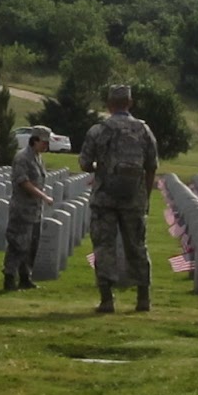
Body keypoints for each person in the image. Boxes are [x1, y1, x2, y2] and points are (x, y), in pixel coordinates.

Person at [79, 84, 159, 314]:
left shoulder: (98, 130)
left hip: (104, 198)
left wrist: (100, 166)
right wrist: (145, 197)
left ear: (108, 105)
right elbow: (152, 166)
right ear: (130, 103)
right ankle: (143, 298)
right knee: (137, 246)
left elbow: (85, 163)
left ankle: (107, 299)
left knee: (104, 247)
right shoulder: (144, 130)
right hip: (134, 198)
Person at [6, 124, 54, 291]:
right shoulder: (22, 158)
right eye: (44, 142)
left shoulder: (37, 157)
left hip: (35, 210)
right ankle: (9, 277)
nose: (46, 145)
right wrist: (43, 196)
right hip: (22, 209)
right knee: (18, 244)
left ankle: (25, 277)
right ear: (35, 140)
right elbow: (23, 182)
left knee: (32, 246)